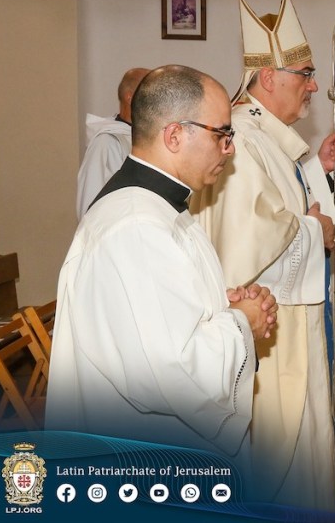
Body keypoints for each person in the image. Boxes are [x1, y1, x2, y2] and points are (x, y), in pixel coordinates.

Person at [46, 65, 277, 458]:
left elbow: (155, 321)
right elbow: (174, 370)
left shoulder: (154, 209)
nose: (230, 148)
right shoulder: (136, 225)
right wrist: (243, 322)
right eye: (222, 133)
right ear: (174, 135)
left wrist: (222, 306)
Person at [190, 0, 335, 508]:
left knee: (306, 458)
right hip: (271, 333)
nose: (313, 86)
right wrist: (315, 231)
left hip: (293, 325)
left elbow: (282, 211)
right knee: (284, 463)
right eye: (304, 75)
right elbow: (244, 246)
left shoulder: (268, 138)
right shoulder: (240, 137)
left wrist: (315, 183)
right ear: (267, 77)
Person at [75, 66, 150, 218]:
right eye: (149, 92)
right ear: (130, 97)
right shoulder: (107, 142)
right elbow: (90, 203)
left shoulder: (149, 138)